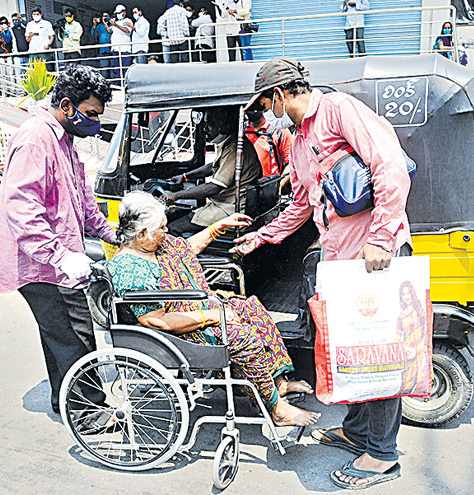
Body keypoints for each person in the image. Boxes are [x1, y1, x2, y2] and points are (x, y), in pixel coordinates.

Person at [232, 57, 412, 490]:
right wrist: (263, 237)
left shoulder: (338, 110)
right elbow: (300, 204)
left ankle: (382, 456)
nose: (265, 110)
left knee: (377, 355)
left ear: (279, 94)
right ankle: (357, 431)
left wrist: (383, 237)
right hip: (340, 258)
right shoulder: (296, 141)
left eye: (263, 101)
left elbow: (388, 165)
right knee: (351, 351)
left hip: (373, 255)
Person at [108, 191, 321, 427]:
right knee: (244, 338)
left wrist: (217, 227)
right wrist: (210, 317)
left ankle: (278, 381)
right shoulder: (130, 268)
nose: (166, 232)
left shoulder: (153, 245)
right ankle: (276, 409)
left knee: (251, 310)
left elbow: (185, 250)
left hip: (193, 310)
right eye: (162, 228)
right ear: (141, 234)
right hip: (175, 330)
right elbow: (156, 321)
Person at [0, 65, 115, 418]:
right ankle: (88, 413)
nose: (94, 122)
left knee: (59, 333)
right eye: (90, 114)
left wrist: (113, 236)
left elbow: (83, 199)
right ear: (66, 104)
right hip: (40, 263)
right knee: (74, 335)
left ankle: (63, 402)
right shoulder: (35, 139)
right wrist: (60, 257)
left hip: (59, 257)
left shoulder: (66, 142)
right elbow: (21, 208)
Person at [166, 106, 262, 236]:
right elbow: (213, 166)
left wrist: (176, 196)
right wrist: (185, 176)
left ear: (223, 125)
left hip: (230, 207)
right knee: (178, 214)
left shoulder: (234, 149)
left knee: (172, 228)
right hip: (225, 203)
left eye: (210, 125)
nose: (205, 129)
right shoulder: (228, 144)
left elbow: (214, 187)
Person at [396, 281, 429, 395]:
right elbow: (398, 337)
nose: (406, 297)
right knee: (406, 384)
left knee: (420, 382)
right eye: (403, 294)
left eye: (408, 293)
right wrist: (406, 348)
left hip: (420, 352)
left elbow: (425, 331)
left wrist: (418, 349)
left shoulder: (419, 311)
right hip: (408, 354)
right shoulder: (401, 316)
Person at [244, 104, 292, 180]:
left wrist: (279, 185)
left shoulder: (279, 131)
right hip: (246, 185)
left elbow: (291, 163)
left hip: (270, 184)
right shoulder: (241, 132)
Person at [109, 4, 133, 80]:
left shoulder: (128, 21)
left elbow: (128, 31)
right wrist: (106, 23)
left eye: (119, 13)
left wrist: (116, 25)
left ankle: (126, 86)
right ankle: (120, 86)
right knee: (118, 70)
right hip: (115, 49)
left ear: (124, 13)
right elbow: (110, 31)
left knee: (126, 70)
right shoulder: (115, 22)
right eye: (117, 13)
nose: (118, 15)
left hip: (124, 49)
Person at [10, 13, 29, 85]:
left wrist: (22, 21)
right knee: (19, 75)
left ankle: (28, 90)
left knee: (28, 74)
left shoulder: (25, 29)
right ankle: (21, 92)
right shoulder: (11, 30)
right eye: (13, 20)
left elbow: (31, 26)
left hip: (27, 54)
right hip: (17, 55)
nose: (15, 21)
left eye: (16, 19)